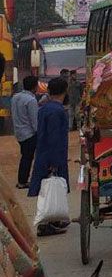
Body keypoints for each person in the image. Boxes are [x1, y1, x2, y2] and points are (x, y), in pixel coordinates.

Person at [28, 77, 70, 236]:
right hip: (53, 155)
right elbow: (54, 137)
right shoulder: (58, 111)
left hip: (43, 153)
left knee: (46, 188)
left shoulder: (44, 108)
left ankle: (53, 220)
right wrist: (54, 162)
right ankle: (46, 223)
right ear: (64, 92)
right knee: (51, 187)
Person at [10, 76, 40, 189]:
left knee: (25, 156)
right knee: (28, 157)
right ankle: (23, 181)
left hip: (19, 132)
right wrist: (39, 133)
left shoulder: (15, 97)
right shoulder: (31, 100)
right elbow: (34, 120)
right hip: (29, 133)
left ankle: (22, 180)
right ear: (34, 87)